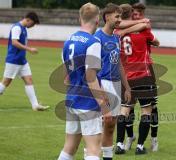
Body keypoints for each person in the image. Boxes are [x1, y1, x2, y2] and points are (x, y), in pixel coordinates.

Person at [58, 3, 108, 160]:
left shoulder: (68, 41)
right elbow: (90, 77)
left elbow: (65, 77)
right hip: (87, 102)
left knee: (69, 147)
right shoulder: (93, 42)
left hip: (72, 100)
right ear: (97, 20)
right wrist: (104, 105)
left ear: (80, 18)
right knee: (93, 149)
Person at [115, 3, 160, 155]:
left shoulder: (116, 31)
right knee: (147, 110)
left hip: (126, 77)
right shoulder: (144, 30)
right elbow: (157, 41)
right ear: (132, 14)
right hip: (143, 75)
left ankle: (120, 144)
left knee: (124, 110)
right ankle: (140, 146)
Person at [94, 3, 131, 160]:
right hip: (102, 84)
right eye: (117, 16)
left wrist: (127, 87)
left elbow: (119, 63)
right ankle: (92, 155)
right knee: (98, 126)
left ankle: (107, 157)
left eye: (121, 16)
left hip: (116, 84)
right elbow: (91, 69)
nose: (119, 19)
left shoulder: (116, 37)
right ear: (107, 17)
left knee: (110, 127)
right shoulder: (96, 38)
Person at [0, 12, 49, 111]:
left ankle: (35, 105)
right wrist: (29, 49)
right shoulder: (17, 28)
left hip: (22, 61)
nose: (33, 26)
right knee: (5, 83)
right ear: (28, 20)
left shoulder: (24, 29)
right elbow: (14, 42)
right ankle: (35, 105)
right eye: (33, 24)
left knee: (29, 80)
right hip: (13, 60)